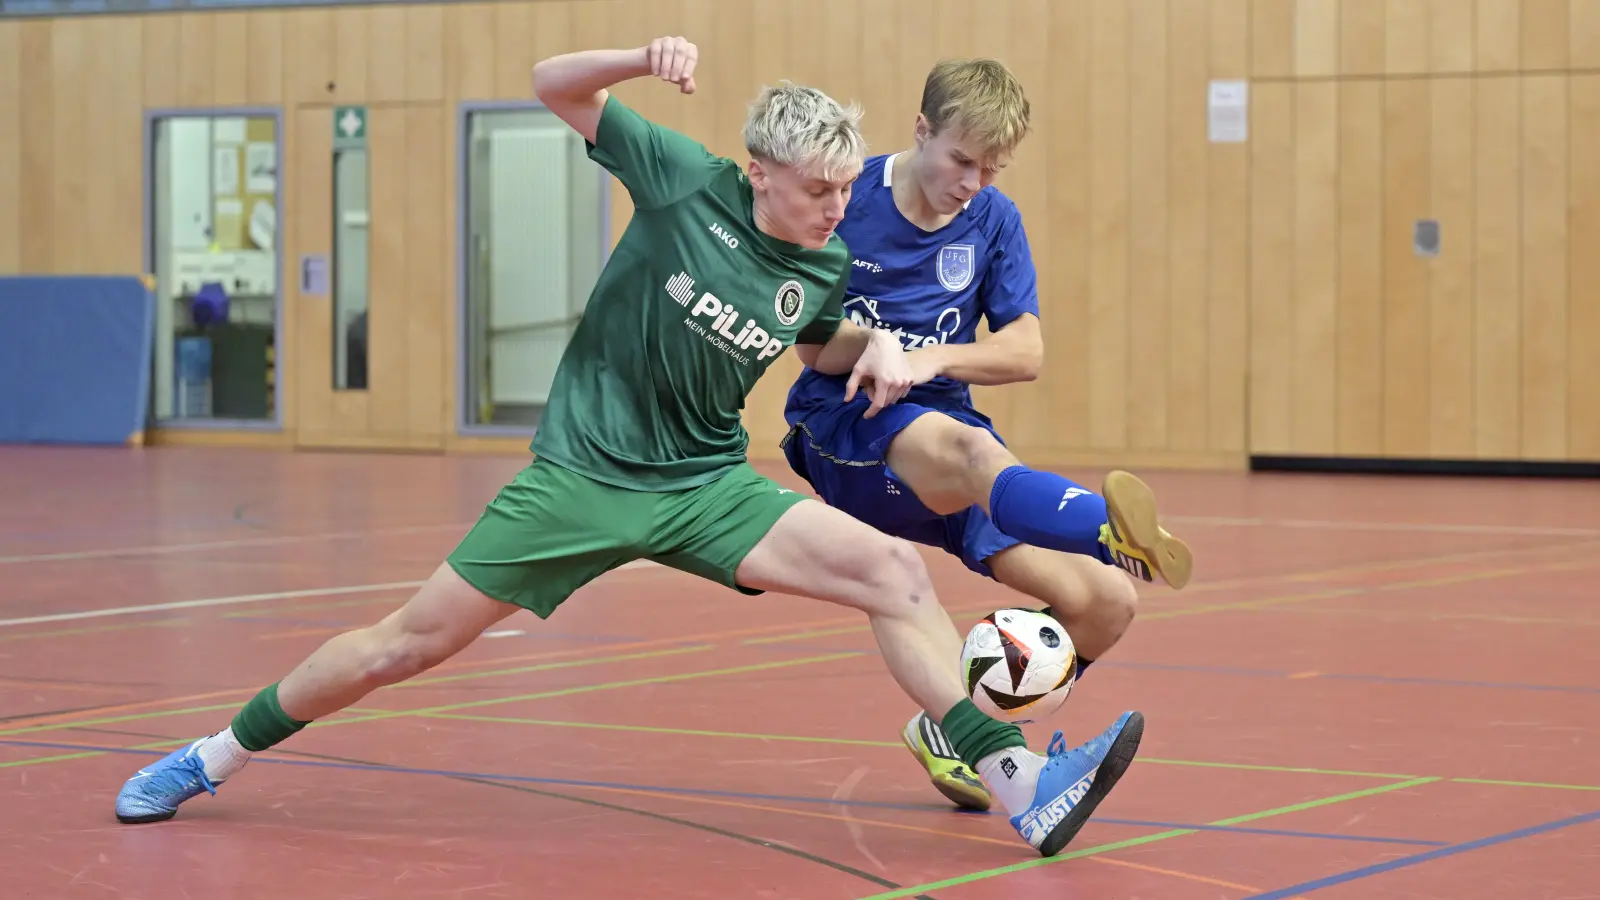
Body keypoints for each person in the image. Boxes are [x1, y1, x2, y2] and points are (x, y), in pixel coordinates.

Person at [113, 37, 1143, 859]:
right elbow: (551, 84)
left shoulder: (822, 261)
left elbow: (813, 338)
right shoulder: (681, 179)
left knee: (893, 574)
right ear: (759, 174)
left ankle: (1019, 785)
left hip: (706, 486)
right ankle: (212, 755)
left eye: (843, 191)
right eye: (818, 192)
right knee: (404, 646)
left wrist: (876, 349)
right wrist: (642, 60)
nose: (838, 212)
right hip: (584, 478)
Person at [780, 57, 1193, 814]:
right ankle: (1105, 528)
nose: (973, 182)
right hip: (846, 426)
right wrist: (879, 350)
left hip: (946, 436)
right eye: (961, 160)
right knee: (975, 454)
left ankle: (956, 731)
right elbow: (810, 346)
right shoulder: (850, 196)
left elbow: (1025, 352)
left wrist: (932, 358)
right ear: (921, 130)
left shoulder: (993, 219)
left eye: (992, 169)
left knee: (1106, 604)